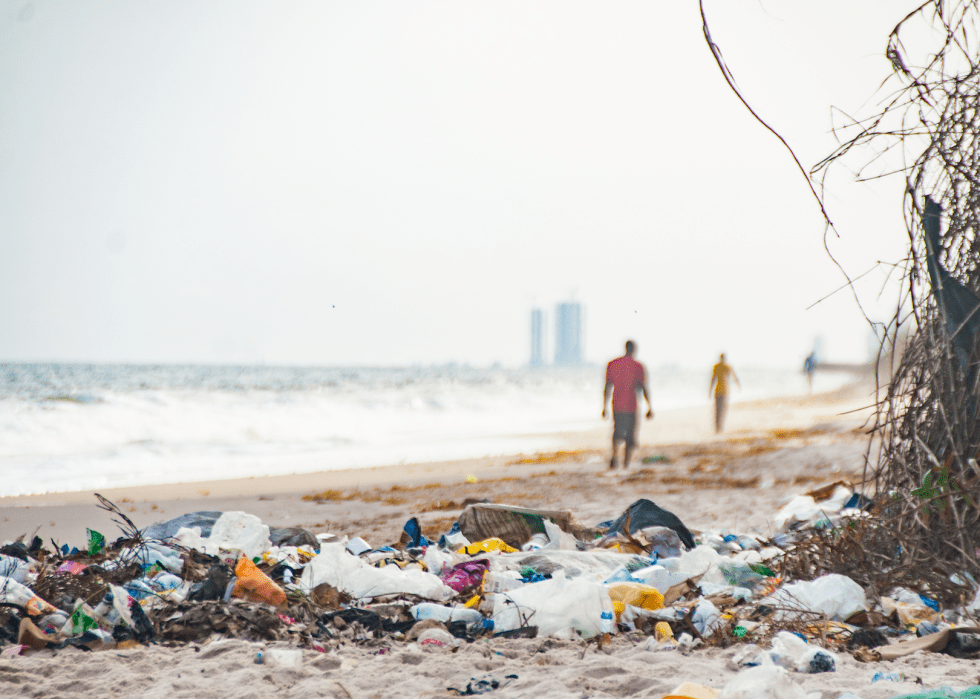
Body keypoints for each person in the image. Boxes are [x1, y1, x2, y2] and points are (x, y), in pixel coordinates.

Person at [602, 340, 654, 469]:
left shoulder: (612, 364)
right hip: (631, 405)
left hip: (617, 405)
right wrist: (649, 407)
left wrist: (604, 407)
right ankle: (626, 463)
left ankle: (614, 456)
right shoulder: (638, 366)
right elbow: (643, 387)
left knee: (617, 432)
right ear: (634, 349)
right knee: (630, 435)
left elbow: (607, 387)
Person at [708, 353, 740, 433]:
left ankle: (720, 428)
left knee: (722, 410)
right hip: (719, 392)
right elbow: (713, 379)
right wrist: (710, 391)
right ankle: (717, 428)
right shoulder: (717, 367)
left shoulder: (727, 367)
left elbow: (734, 376)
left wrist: (738, 385)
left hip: (725, 392)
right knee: (718, 410)